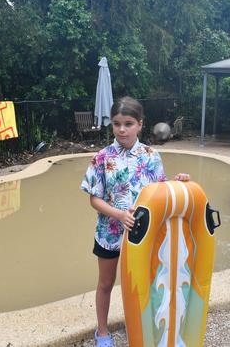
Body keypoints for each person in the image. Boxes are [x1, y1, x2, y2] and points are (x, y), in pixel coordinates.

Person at [80, 96, 190, 346]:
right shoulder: (102, 158)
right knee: (106, 283)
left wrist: (178, 181)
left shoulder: (151, 156)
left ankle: (140, 326)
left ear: (140, 124)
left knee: (145, 283)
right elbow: (94, 199)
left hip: (143, 234)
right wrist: (119, 214)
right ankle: (103, 332)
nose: (121, 129)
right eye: (117, 123)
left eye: (128, 123)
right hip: (109, 233)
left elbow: (159, 192)